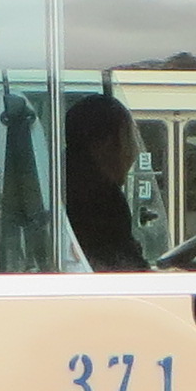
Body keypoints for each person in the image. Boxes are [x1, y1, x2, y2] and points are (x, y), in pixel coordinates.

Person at [60, 91, 153, 272]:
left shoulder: (65, 179)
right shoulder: (99, 198)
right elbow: (123, 268)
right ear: (107, 143)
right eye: (130, 137)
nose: (134, 152)